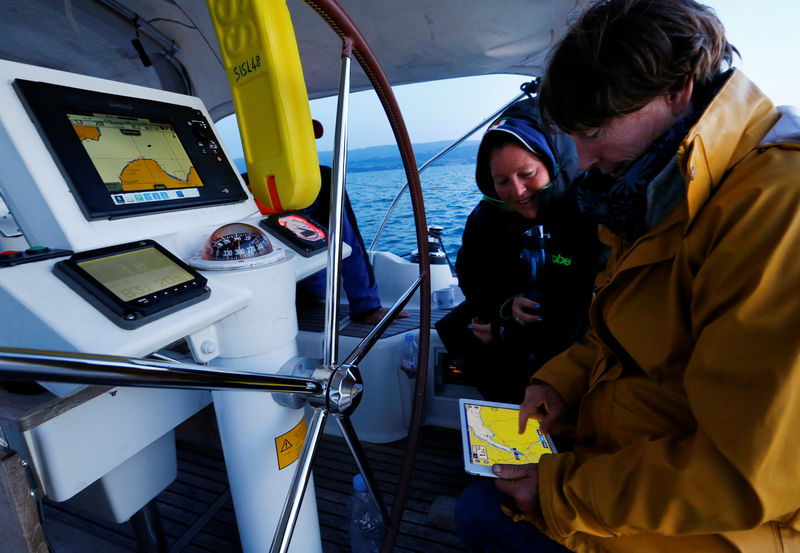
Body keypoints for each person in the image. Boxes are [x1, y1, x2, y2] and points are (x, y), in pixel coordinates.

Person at [455, 0, 800, 552]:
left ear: (677, 87)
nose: (584, 159)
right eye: (574, 136)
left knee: (477, 512)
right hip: (629, 457)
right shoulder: (652, 190)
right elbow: (618, 331)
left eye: (594, 129)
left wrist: (557, 494)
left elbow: (748, 475)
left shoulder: (777, 210)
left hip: (722, 530)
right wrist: (561, 381)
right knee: (479, 500)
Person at [438, 95, 606, 404]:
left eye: (527, 174)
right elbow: (472, 275)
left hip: (580, 347)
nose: (516, 191)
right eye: (502, 180)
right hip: (511, 339)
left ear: (550, 161)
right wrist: (503, 307)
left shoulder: (591, 208)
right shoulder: (486, 217)